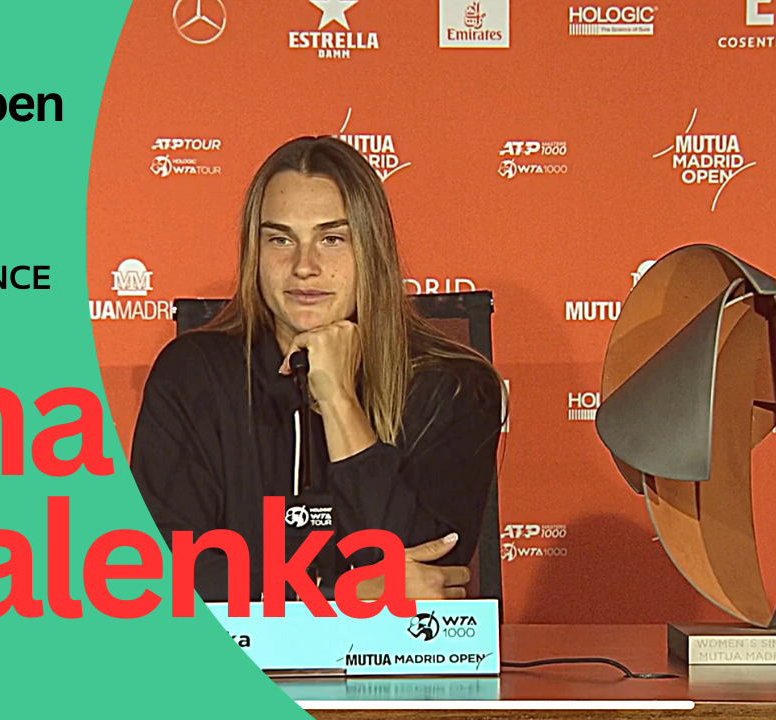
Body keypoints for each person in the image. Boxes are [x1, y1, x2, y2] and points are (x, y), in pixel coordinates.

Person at [130, 136, 505, 603]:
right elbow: (161, 572)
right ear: (254, 254)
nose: (304, 266)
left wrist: (338, 400)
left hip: (391, 654)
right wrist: (336, 596)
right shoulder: (192, 375)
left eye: (332, 239)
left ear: (371, 249)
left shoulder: (456, 387)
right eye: (280, 239)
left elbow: (425, 581)